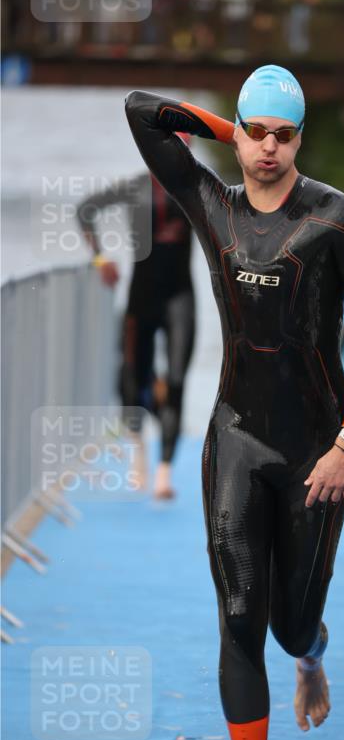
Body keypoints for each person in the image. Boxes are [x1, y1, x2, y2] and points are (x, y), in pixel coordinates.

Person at [125, 65, 344, 740]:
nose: (269, 149)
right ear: (240, 132)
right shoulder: (212, 205)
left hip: (319, 452)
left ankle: (312, 656)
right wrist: (225, 132)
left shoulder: (336, 220)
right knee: (240, 617)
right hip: (237, 439)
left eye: (283, 135)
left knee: (289, 624)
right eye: (257, 132)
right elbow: (142, 112)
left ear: (301, 139)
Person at [77, 165, 195, 499]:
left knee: (175, 380)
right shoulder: (134, 187)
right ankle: (138, 450)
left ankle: (164, 473)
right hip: (141, 300)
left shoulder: (196, 186)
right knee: (134, 378)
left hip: (181, 299)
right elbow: (85, 209)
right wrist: (100, 259)